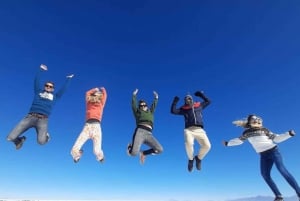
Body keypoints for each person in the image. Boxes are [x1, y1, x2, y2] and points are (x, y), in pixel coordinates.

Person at [223, 114, 300, 201]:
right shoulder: (246, 133)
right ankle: (279, 196)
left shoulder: (264, 130)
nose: (256, 119)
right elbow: (239, 141)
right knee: (265, 175)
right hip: (263, 155)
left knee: (281, 170)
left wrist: (289, 134)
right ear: (249, 122)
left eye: (257, 118)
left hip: (274, 151)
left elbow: (276, 138)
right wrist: (228, 143)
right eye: (253, 119)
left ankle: (299, 192)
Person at [6, 64, 74, 149]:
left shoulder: (55, 97)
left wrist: (69, 79)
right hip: (30, 117)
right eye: (47, 85)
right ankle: (19, 140)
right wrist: (41, 70)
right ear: (44, 86)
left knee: (41, 142)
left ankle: (47, 136)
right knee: (10, 138)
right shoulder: (38, 92)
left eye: (50, 86)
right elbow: (36, 81)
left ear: (53, 89)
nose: (48, 87)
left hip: (43, 120)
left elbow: (63, 89)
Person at [170, 90, 211, 172]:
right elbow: (173, 111)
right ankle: (191, 160)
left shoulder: (199, 105)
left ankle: (198, 158)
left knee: (207, 146)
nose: (187, 99)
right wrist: (175, 101)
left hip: (199, 130)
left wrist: (201, 94)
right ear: (184, 101)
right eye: (186, 99)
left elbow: (208, 101)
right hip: (189, 130)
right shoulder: (184, 109)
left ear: (192, 99)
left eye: (189, 98)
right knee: (188, 144)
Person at [70, 87, 107, 163]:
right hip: (87, 127)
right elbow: (87, 93)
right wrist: (95, 89)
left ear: (100, 97)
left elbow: (105, 95)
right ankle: (77, 155)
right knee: (74, 149)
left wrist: (103, 90)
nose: (96, 96)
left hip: (96, 127)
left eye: (98, 95)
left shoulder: (101, 103)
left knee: (96, 150)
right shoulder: (89, 103)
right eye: (95, 95)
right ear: (93, 96)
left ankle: (101, 157)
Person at [127, 89, 163, 165]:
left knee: (160, 149)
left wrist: (156, 98)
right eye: (141, 105)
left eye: (144, 105)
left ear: (147, 106)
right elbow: (133, 105)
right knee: (133, 154)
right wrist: (134, 95)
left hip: (149, 134)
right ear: (139, 107)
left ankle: (144, 153)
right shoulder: (137, 113)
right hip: (140, 132)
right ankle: (130, 147)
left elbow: (154, 106)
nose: (143, 106)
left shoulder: (150, 112)